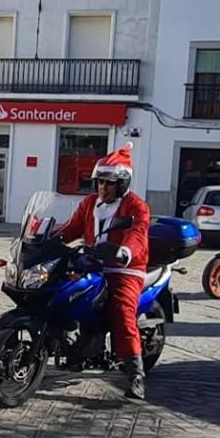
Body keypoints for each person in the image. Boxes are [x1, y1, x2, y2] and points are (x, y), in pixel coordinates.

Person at [56, 142, 151, 400]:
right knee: (59, 290)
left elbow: (138, 234)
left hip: (124, 269)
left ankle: (135, 374)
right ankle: (72, 346)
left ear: (122, 184)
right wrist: (45, 238)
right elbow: (71, 228)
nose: (103, 188)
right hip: (92, 263)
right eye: (99, 182)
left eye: (109, 183)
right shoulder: (89, 203)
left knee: (121, 310)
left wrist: (124, 252)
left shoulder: (136, 206)